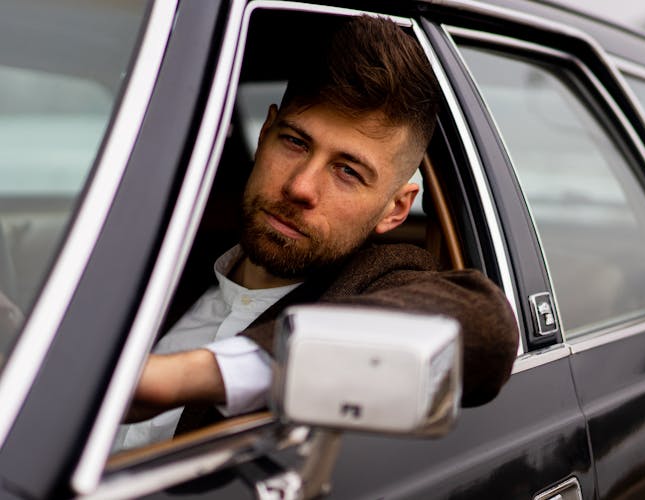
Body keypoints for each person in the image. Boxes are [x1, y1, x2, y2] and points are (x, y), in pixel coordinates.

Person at [116, 15, 518, 451]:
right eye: (295, 142)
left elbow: (486, 328)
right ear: (265, 133)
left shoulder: (377, 282)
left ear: (395, 209)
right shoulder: (163, 253)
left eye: (348, 171)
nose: (300, 187)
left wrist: (181, 379)